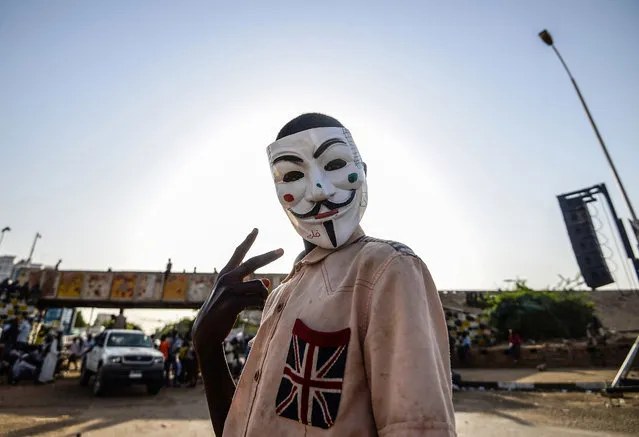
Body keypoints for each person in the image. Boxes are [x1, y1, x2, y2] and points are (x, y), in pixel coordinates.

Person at [193, 113, 456, 436]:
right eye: (293, 174)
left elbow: (418, 427)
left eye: (333, 165)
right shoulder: (282, 294)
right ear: (278, 190)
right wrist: (207, 347)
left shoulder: (386, 269)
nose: (318, 190)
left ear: (362, 171)